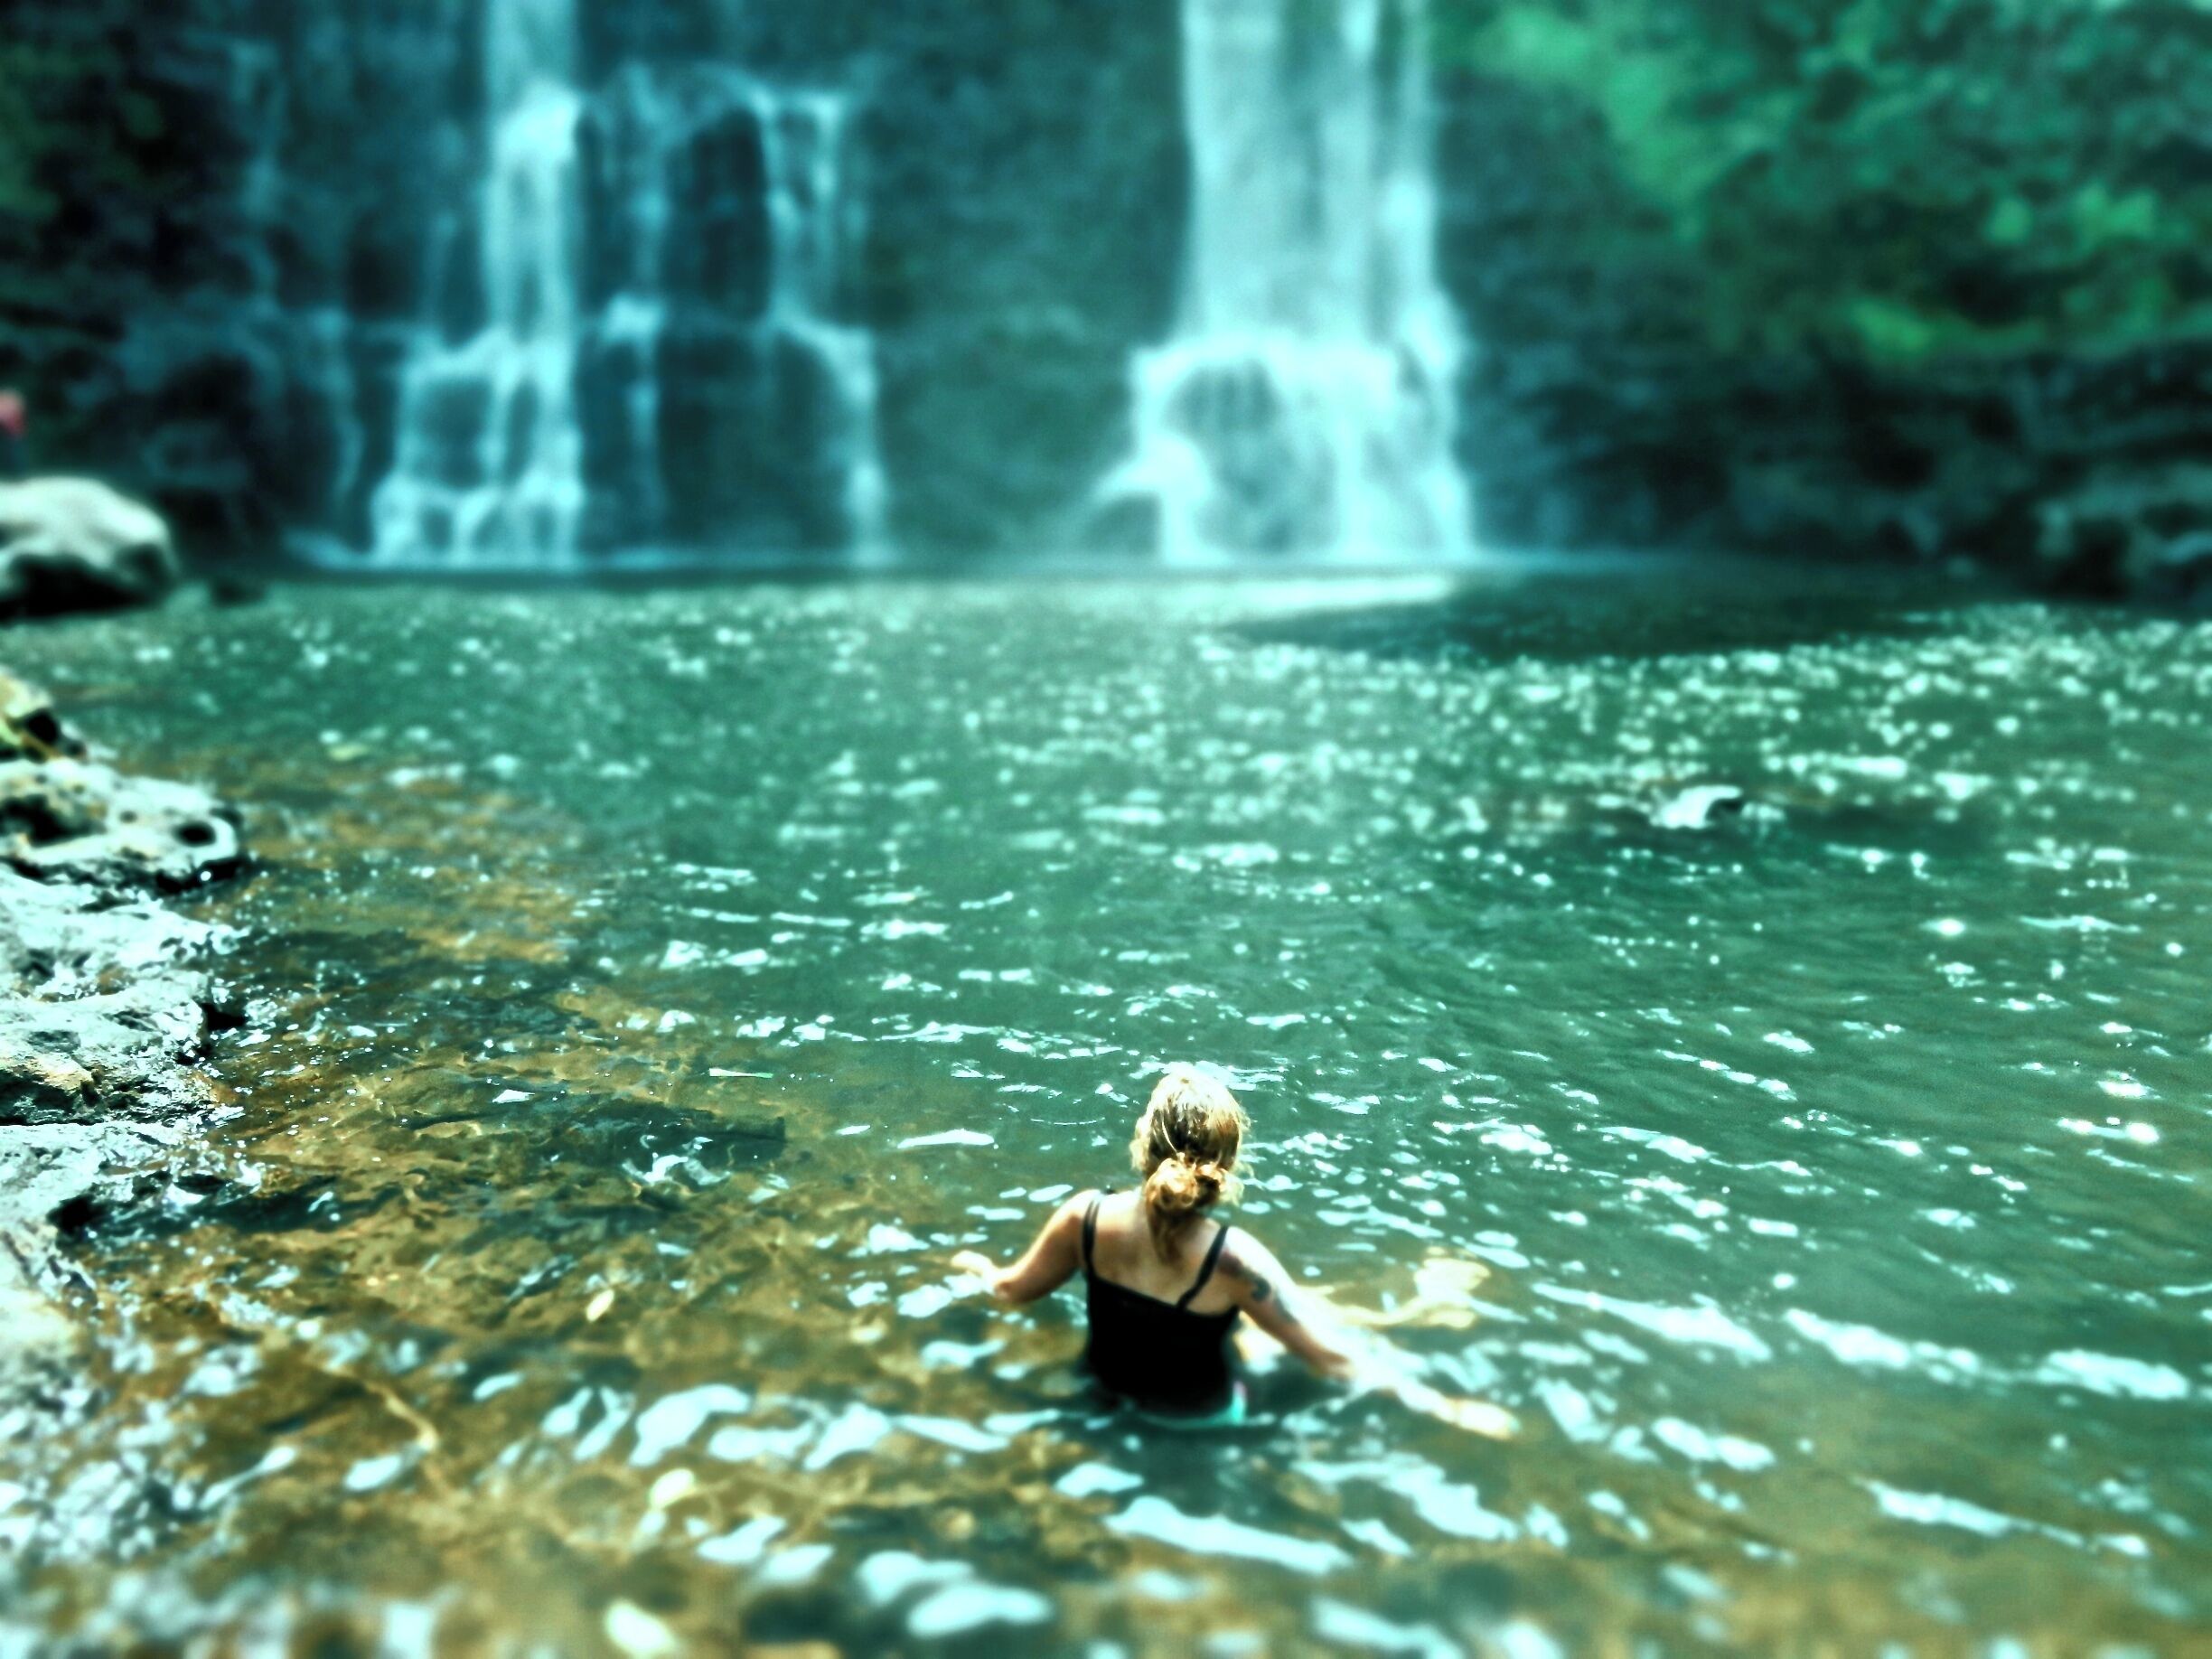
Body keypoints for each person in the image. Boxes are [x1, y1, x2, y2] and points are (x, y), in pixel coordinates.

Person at [951, 1064, 1514, 1435]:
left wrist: (973, 1267)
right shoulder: (1235, 1261)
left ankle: (1379, 1310)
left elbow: (1009, 1290)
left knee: (1256, 1322)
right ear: (1226, 1164)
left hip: (1102, 1396)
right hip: (1202, 1423)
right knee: (1300, 1332)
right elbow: (1332, 1361)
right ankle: (1407, 1311)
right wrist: (1446, 1408)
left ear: (1144, 1142)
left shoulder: (1086, 1218)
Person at [0, 391, 24, 480]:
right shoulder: (9, 404)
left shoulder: (11, 405)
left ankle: (17, 474)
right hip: (8, 434)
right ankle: (13, 474)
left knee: (15, 454)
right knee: (11, 454)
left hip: (13, 434)